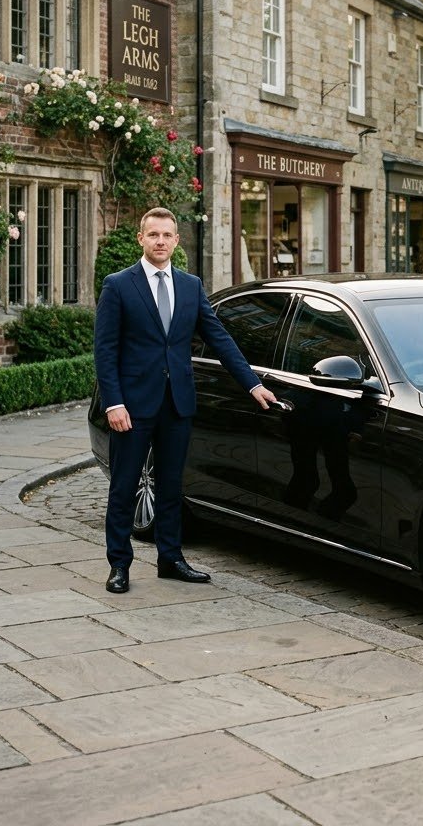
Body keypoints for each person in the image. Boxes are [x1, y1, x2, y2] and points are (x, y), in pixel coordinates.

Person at [93, 207, 277, 594]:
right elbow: (105, 350)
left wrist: (252, 384)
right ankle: (119, 565)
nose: (160, 241)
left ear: (177, 241)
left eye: (167, 235)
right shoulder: (119, 285)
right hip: (133, 406)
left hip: (177, 403)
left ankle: (171, 558)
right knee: (124, 486)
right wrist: (113, 403)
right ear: (141, 239)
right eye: (153, 234)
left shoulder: (191, 286)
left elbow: (220, 337)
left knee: (172, 485)